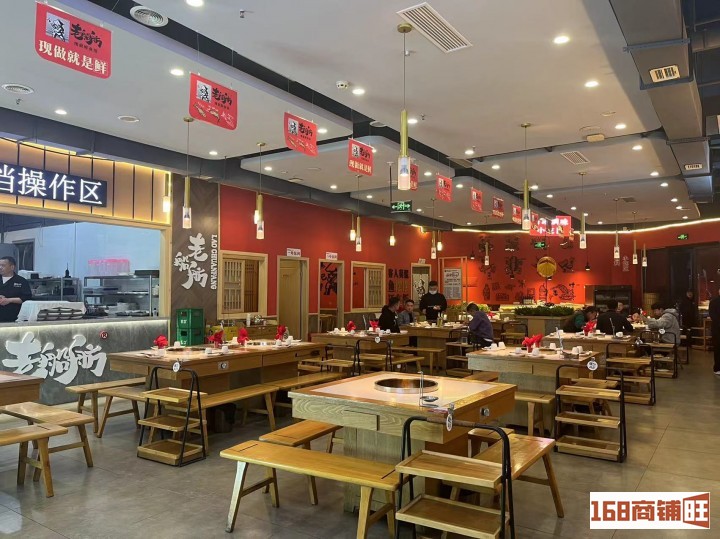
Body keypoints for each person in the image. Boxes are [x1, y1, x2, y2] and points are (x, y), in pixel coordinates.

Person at [0, 256, 32, 323]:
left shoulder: (21, 281)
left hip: (14, 317)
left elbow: (26, 298)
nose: (0, 267)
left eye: (3, 265)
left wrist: (9, 300)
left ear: (12, 267)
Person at [709, 289, 720, 374]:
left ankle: (717, 368)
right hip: (717, 329)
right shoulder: (714, 301)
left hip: (716, 328)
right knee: (717, 348)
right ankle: (717, 368)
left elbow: (712, 315)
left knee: (717, 348)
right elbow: (713, 315)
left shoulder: (713, 301)